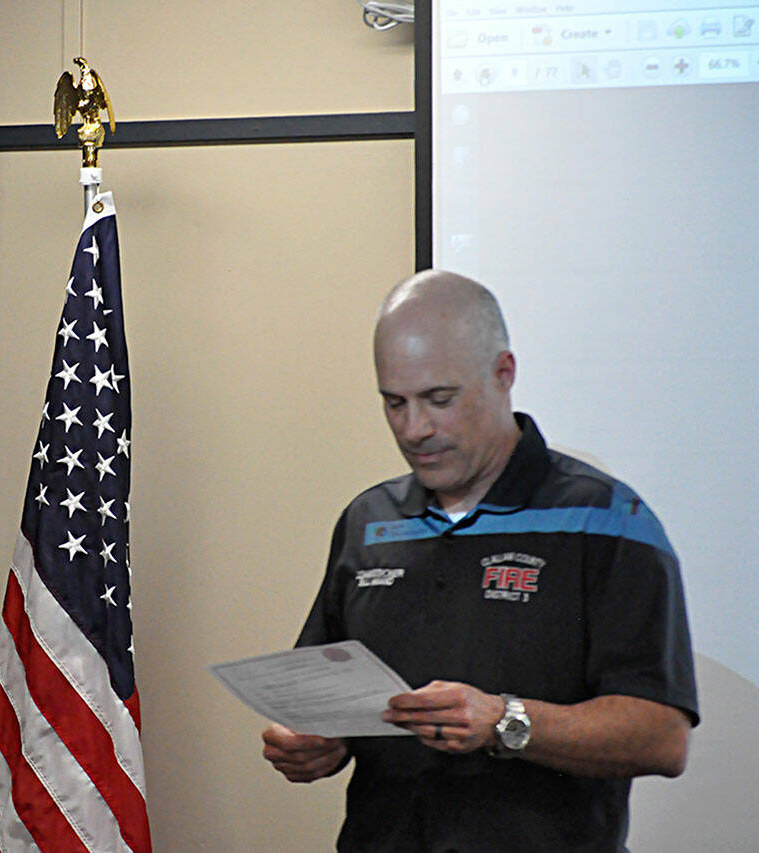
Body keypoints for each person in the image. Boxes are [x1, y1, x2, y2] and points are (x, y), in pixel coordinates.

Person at [261, 270, 698, 852]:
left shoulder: (606, 519)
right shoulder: (369, 521)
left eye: (439, 400)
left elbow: (661, 737)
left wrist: (504, 721)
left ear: (503, 373)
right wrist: (312, 741)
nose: (415, 429)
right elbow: (323, 702)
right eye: (395, 403)